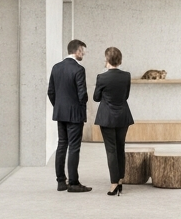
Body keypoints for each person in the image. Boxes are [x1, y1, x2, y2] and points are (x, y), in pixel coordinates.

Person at [48, 39, 91, 192]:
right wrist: (81, 106)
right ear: (78, 50)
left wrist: (59, 106)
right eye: (83, 51)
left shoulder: (56, 67)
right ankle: (73, 183)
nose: (83, 54)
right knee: (74, 147)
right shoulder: (79, 69)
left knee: (61, 145)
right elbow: (82, 95)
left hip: (60, 113)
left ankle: (61, 181)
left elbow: (51, 92)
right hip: (75, 115)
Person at [93, 46, 134, 196]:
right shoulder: (126, 76)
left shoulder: (101, 77)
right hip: (123, 115)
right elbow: (126, 96)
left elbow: (96, 97)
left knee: (111, 150)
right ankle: (121, 179)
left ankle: (114, 184)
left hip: (107, 117)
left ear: (108, 59)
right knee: (120, 147)